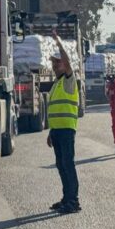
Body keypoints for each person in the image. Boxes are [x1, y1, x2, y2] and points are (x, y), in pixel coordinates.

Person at [47, 29, 81, 214]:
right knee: (61, 166)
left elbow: (67, 63)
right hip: (58, 131)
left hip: (67, 130)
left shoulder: (68, 81)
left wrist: (59, 43)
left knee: (68, 165)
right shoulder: (57, 83)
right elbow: (55, 110)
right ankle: (66, 198)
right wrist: (51, 132)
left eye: (57, 63)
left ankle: (73, 201)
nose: (55, 65)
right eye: (53, 63)